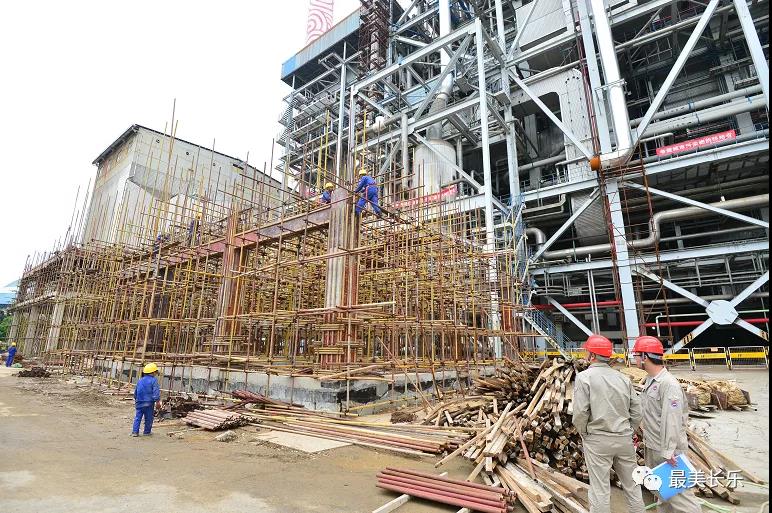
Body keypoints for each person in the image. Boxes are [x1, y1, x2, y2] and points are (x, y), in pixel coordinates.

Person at [572, 334, 645, 513]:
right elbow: (637, 411)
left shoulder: (584, 378)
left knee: (600, 489)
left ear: (592, 355)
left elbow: (580, 412)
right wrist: (629, 430)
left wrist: (584, 432)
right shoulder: (623, 379)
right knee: (632, 485)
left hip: (598, 439)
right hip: (623, 439)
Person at [633, 335, 701, 513]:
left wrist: (669, 450)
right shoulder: (650, 380)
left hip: (668, 451)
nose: (634, 359)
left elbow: (672, 420)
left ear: (645, 357)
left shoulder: (668, 384)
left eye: (636, 355)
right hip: (654, 447)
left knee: (680, 496)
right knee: (662, 495)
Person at [132, 362, 161, 437]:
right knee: (148, 418)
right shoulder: (153, 380)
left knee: (138, 417)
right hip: (149, 403)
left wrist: (136, 399)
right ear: (153, 372)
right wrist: (157, 401)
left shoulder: (140, 380)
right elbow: (156, 392)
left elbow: (136, 392)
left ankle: (135, 432)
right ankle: (147, 432)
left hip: (139, 402)